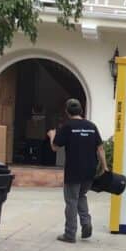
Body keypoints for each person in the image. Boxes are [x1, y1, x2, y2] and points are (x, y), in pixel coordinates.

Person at [47, 98, 107, 243]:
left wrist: (52, 135)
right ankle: (86, 223)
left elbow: (55, 147)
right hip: (90, 170)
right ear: (81, 110)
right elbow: (100, 148)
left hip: (73, 171)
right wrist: (104, 166)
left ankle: (70, 234)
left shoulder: (67, 127)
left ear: (67, 112)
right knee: (81, 196)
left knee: (71, 201)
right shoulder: (91, 126)